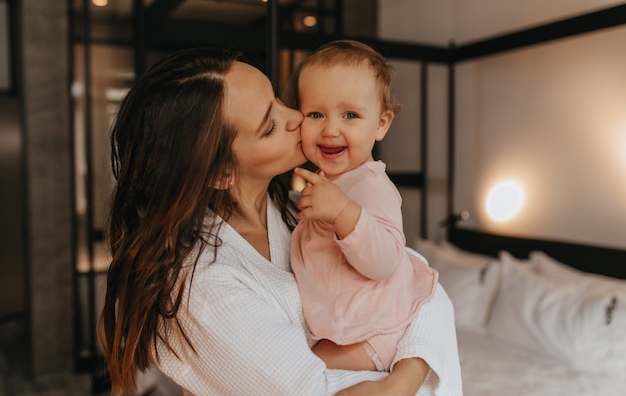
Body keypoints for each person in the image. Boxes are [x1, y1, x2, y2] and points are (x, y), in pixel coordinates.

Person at [98, 46, 463, 396]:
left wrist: (404, 376)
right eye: (270, 125)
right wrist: (408, 364)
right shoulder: (201, 288)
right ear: (221, 172)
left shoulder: (303, 211)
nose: (297, 117)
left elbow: (419, 280)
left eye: (277, 99)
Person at [287, 40, 438, 373]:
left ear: (381, 124)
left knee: (298, 377)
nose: (329, 129)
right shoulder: (334, 182)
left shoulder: (371, 186)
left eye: (350, 115)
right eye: (315, 114)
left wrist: (342, 213)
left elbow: (385, 259)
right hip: (349, 329)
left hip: (373, 334)